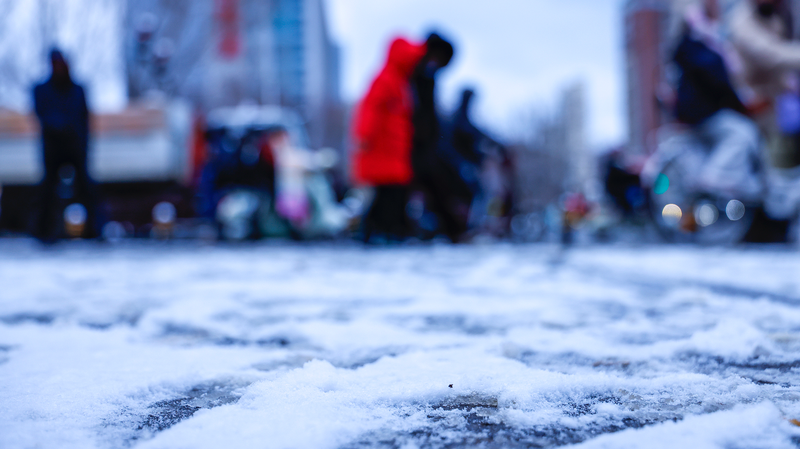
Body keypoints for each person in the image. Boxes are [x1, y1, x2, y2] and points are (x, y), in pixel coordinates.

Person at [669, 0, 762, 201]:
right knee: (743, 133)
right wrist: (740, 102)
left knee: (741, 135)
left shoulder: (711, 41)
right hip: (702, 115)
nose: (716, 6)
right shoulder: (698, 42)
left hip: (705, 113)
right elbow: (716, 77)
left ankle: (738, 185)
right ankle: (713, 178)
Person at [352, 38, 427, 242]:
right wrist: (364, 136)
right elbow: (370, 108)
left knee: (392, 195)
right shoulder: (386, 79)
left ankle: (384, 232)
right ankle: (375, 232)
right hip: (381, 150)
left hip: (393, 151)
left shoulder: (400, 82)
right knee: (385, 195)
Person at [33, 49, 102, 240]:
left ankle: (95, 230)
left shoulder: (77, 90)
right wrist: (62, 127)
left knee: (87, 189)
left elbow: (84, 118)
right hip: (53, 148)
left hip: (75, 147)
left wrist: (84, 145)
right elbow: (43, 115)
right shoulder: (42, 90)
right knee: (47, 191)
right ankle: (44, 232)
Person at [730, 0, 800, 168]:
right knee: (770, 159)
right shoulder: (741, 23)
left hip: (780, 99)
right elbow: (771, 55)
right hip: (758, 104)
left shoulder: (770, 13)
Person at [410, 33, 465, 242]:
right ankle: (453, 230)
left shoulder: (425, 73)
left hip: (424, 143)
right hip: (418, 144)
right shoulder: (419, 73)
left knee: (431, 187)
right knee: (433, 185)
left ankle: (452, 229)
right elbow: (421, 112)